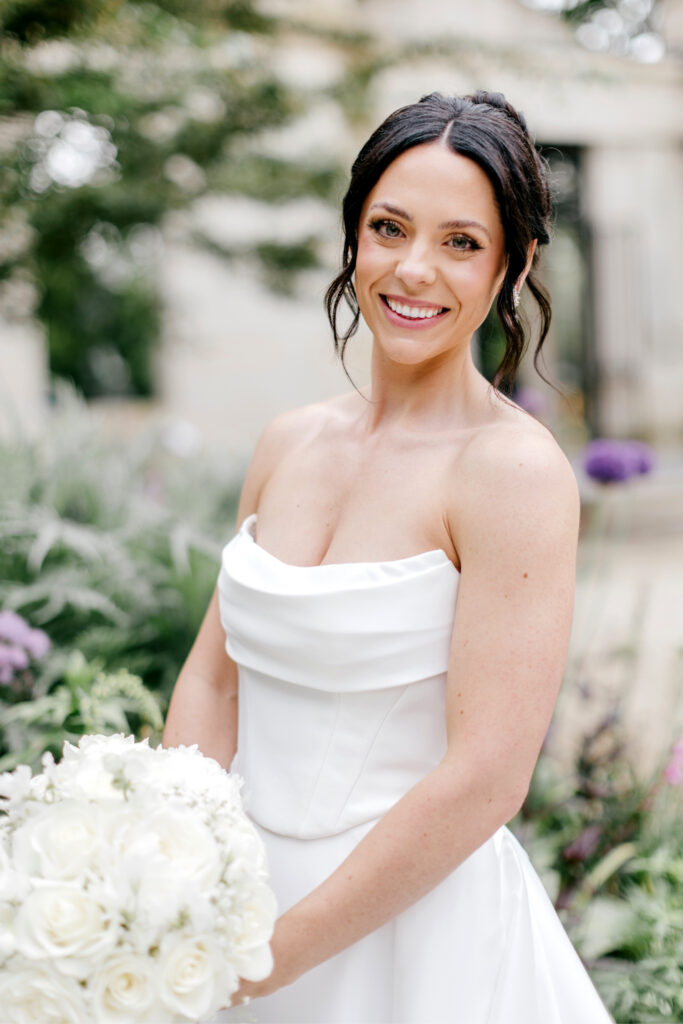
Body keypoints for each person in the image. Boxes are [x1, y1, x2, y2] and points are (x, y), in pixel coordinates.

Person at [162, 91, 613, 1023]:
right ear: (352, 238)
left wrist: (268, 959)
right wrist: (179, 873)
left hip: (409, 937)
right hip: (233, 900)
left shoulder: (511, 474)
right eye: (388, 228)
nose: (413, 270)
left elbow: (486, 771)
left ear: (512, 264)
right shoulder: (287, 442)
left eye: (460, 242)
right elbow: (214, 681)